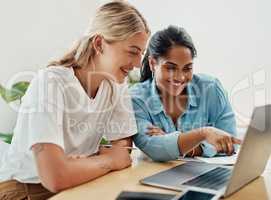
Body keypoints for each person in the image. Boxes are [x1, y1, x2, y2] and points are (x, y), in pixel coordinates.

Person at [0, 1, 149, 199]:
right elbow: (55, 177)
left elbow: (122, 151)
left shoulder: (116, 85)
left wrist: (81, 165)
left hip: (78, 186)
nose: (139, 64)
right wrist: (106, 161)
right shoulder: (51, 82)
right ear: (98, 44)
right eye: (132, 52)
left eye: (142, 53)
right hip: (24, 191)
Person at [130, 25, 241, 162]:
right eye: (170, 68)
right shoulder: (137, 98)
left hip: (204, 174)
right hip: (155, 174)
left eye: (187, 68)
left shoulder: (211, 89)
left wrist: (173, 142)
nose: (180, 77)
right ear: (153, 63)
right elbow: (154, 148)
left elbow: (229, 143)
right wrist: (204, 134)